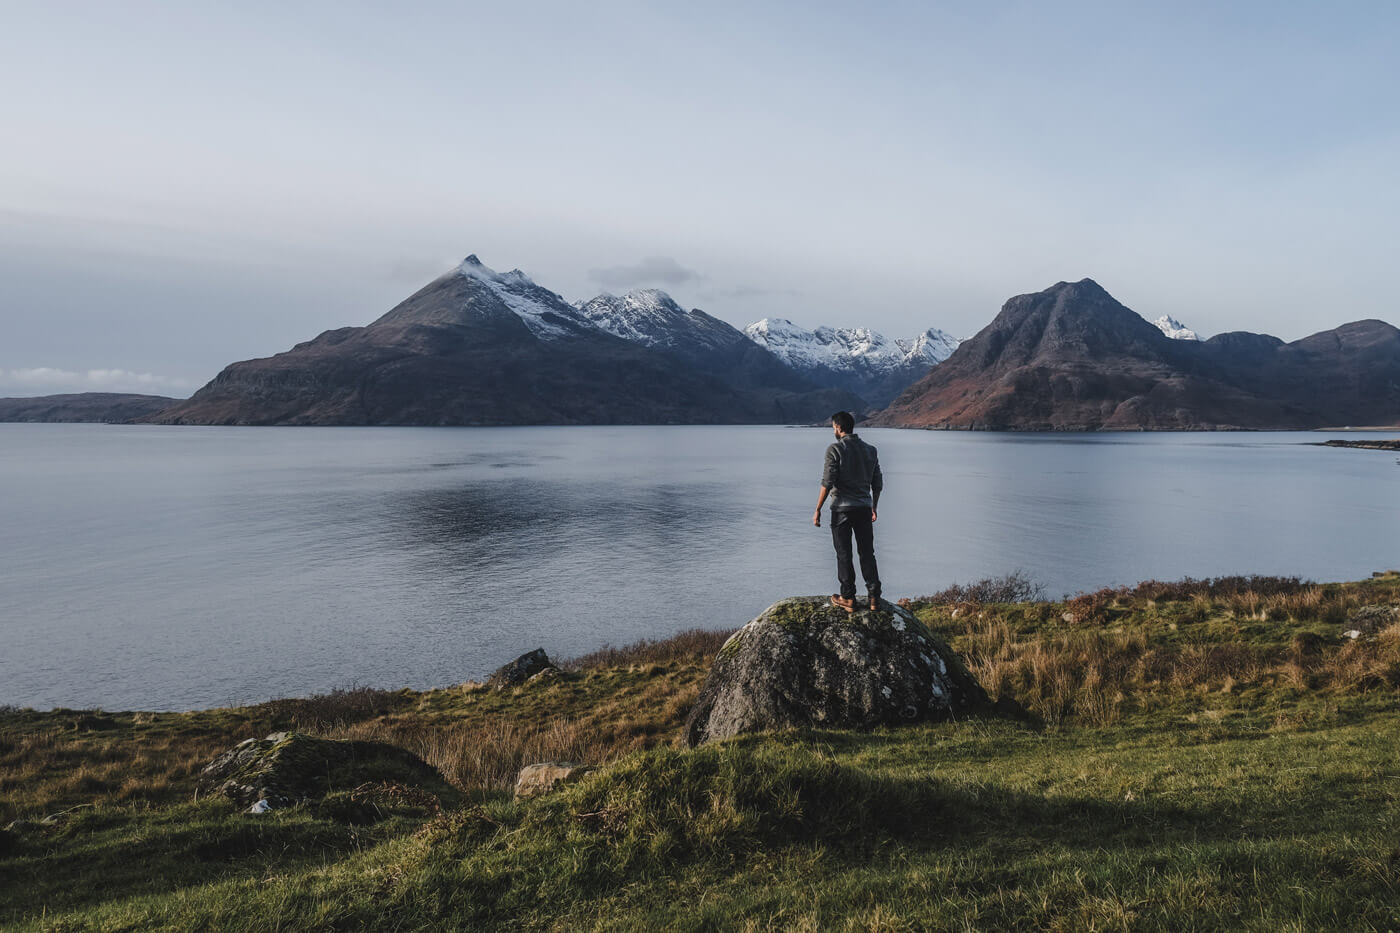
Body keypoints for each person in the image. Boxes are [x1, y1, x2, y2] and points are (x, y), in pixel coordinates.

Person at [812, 411, 882, 613]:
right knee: (867, 552)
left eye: (833, 426)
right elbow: (877, 482)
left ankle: (848, 597)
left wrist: (817, 508)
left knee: (844, 554)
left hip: (841, 509)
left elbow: (828, 481)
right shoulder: (871, 450)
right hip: (863, 509)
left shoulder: (834, 449)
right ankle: (874, 597)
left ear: (839, 427)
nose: (833, 430)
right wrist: (874, 506)